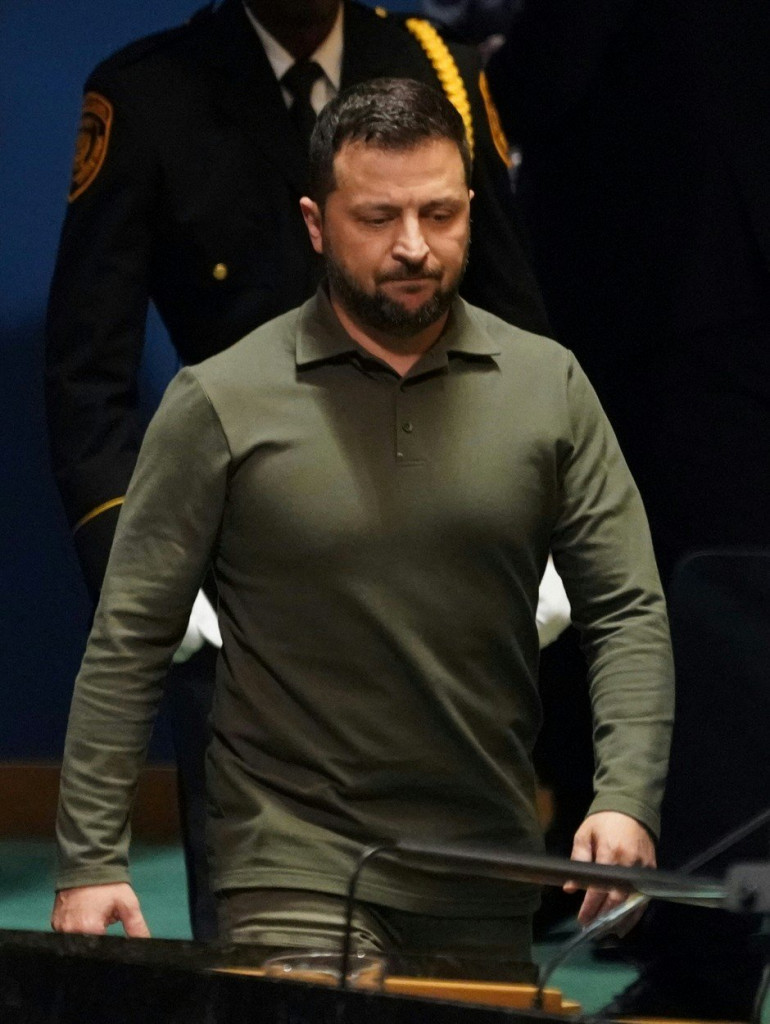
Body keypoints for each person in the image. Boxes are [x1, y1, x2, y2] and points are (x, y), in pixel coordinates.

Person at [51, 78, 673, 978]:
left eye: (440, 214)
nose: (413, 245)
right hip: (290, 857)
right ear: (316, 225)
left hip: (485, 858)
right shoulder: (221, 400)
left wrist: (625, 796)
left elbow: (627, 609)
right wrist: (90, 859)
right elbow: (129, 637)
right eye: (378, 218)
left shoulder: (551, 388)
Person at [485, 0, 770, 1014]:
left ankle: (700, 955)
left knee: (688, 618)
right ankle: (636, 894)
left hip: (666, 312)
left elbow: (533, 81)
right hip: (712, 296)